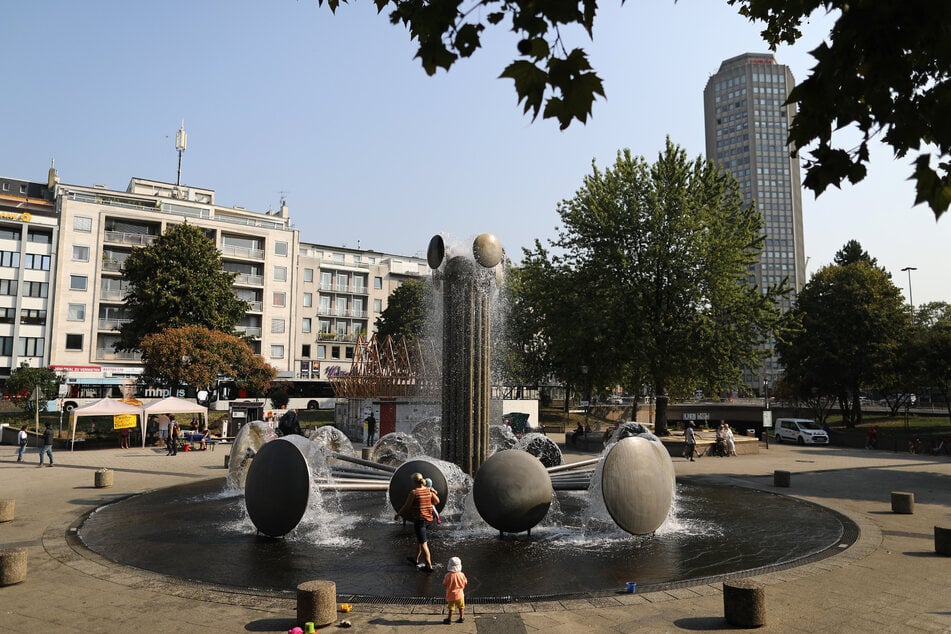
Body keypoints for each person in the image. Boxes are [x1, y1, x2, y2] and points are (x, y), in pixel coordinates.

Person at [395, 472, 440, 572]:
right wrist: (431, 494)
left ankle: (429, 566)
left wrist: (398, 514)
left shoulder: (414, 493)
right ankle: (415, 559)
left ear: (414, 482)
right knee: (421, 540)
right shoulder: (428, 490)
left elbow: (407, 506)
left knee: (424, 543)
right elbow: (437, 501)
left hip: (420, 521)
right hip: (428, 520)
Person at [442, 556, 468, 624]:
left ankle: (449, 619)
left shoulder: (448, 575)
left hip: (451, 595)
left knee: (451, 608)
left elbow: (444, 584)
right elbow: (465, 582)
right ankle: (461, 618)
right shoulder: (462, 574)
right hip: (460, 595)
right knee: (461, 607)